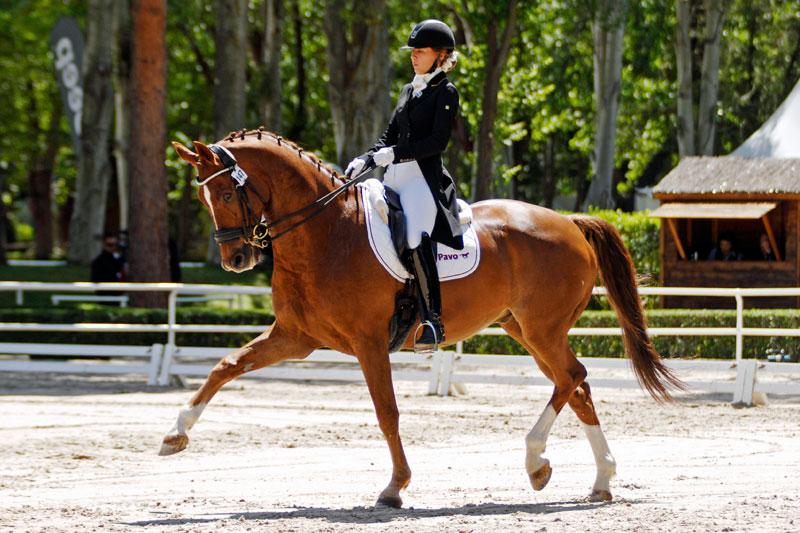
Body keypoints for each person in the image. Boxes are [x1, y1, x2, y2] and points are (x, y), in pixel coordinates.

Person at [345, 19, 463, 353]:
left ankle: (432, 322)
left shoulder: (446, 92)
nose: (414, 57)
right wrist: (367, 158)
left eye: (421, 52)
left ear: (441, 56)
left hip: (422, 180)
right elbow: (390, 134)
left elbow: (437, 142)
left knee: (415, 235)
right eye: (412, 51)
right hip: (393, 176)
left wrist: (393, 153)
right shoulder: (409, 89)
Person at [91, 231, 126, 298]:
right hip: (106, 296)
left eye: (116, 245)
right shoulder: (98, 262)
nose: (113, 247)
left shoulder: (120, 259)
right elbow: (95, 281)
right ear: (104, 245)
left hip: (120, 295)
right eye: (110, 245)